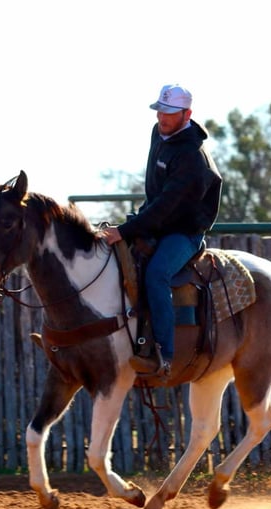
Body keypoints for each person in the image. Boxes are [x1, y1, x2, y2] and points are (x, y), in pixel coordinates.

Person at [99, 84, 222, 379]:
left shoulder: (192, 157)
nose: (162, 118)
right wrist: (137, 222)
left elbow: (169, 205)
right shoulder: (160, 132)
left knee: (156, 274)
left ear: (187, 114)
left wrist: (127, 229)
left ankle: (163, 354)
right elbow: (158, 198)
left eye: (170, 112)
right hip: (159, 219)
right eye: (160, 111)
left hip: (185, 232)